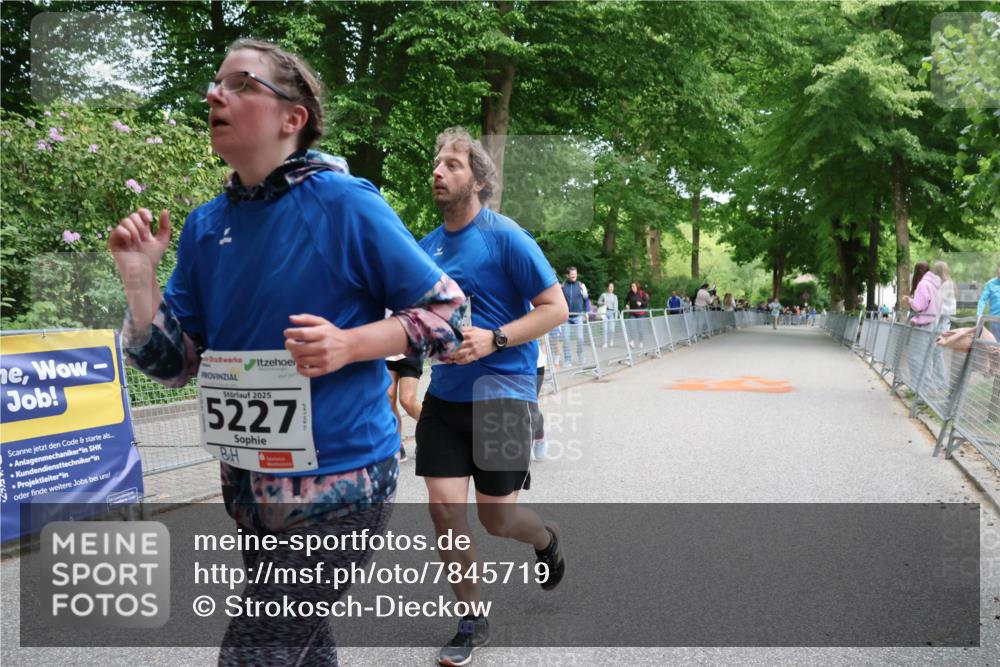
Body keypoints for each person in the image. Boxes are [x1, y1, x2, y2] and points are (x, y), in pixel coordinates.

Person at [108, 40, 466, 666]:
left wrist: (351, 343)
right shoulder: (203, 225)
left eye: (240, 84)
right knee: (305, 646)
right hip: (249, 482)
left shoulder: (344, 202)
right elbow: (173, 365)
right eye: (215, 83)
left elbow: (449, 314)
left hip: (342, 480)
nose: (215, 94)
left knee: (257, 653)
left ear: (291, 118)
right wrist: (140, 280)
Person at [415, 127, 568, 667]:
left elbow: (555, 308)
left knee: (497, 520)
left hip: (503, 392)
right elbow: (416, 317)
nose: (438, 171)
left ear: (477, 180)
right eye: (437, 163)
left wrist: (495, 338)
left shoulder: (505, 237)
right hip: (446, 397)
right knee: (442, 508)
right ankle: (472, 618)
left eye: (452, 165)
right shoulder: (425, 247)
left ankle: (545, 539)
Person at [560, 266, 588, 366]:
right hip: (566, 316)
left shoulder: (580, 285)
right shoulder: (563, 286)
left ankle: (580, 355)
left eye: (575, 275)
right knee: (566, 338)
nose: (573, 276)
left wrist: (587, 312)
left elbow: (586, 299)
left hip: (578, 315)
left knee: (580, 337)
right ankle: (567, 359)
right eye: (572, 275)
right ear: (567, 275)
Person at [978, 262, 1000, 337]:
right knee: (996, 346)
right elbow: (982, 300)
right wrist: (979, 314)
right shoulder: (990, 284)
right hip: (995, 320)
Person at [625, 281, 648, 347]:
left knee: (640, 328)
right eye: (631, 286)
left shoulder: (641, 293)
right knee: (632, 327)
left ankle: (641, 341)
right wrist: (627, 305)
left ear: (637, 287)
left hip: (641, 314)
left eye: (633, 286)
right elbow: (626, 300)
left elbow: (646, 303)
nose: (632, 287)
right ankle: (632, 341)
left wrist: (641, 304)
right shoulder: (630, 293)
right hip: (632, 313)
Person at [597, 281, 619, 348]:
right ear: (608, 287)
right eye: (610, 287)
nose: (611, 288)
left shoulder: (615, 296)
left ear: (613, 288)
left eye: (612, 287)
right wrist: (603, 303)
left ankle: (611, 339)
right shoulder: (604, 295)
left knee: (612, 329)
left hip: (612, 313)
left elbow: (616, 307)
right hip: (605, 312)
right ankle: (605, 343)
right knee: (605, 328)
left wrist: (616, 317)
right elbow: (598, 302)